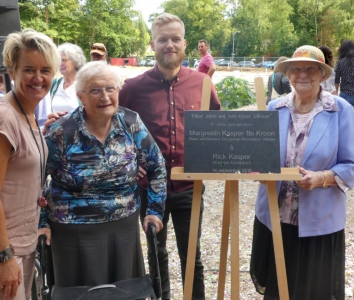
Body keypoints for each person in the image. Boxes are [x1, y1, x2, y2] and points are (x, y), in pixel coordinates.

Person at [119, 13, 221, 300]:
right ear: (152, 45)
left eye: (175, 39)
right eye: (163, 39)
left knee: (193, 257)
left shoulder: (202, 84)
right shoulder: (132, 88)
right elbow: (117, 133)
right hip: (150, 191)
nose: (169, 45)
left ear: (185, 44)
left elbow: (217, 129)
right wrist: (131, 163)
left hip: (191, 188)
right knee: (156, 255)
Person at [38, 61, 166, 288]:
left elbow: (156, 165)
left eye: (110, 89)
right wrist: (41, 222)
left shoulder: (130, 122)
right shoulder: (62, 131)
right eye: (95, 90)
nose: (105, 96)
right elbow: (35, 179)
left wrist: (154, 211)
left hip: (122, 226)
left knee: (122, 291)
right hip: (71, 230)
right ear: (81, 96)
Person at [250, 45, 354, 300]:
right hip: (275, 218)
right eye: (296, 69)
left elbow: (353, 163)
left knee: (313, 291)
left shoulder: (341, 110)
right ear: (288, 74)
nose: (303, 74)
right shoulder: (273, 108)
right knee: (277, 289)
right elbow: (258, 157)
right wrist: (255, 167)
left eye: (311, 69)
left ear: (322, 75)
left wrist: (321, 178)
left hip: (319, 222)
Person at [0, 29, 59, 300]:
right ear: (11, 70)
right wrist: (4, 258)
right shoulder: (3, 118)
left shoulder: (27, 111)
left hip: (20, 240)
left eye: (46, 70)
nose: (38, 78)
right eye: (29, 69)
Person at [50, 43, 85, 112]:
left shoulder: (84, 86)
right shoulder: (54, 84)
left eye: (63, 60)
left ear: (75, 61)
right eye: (59, 60)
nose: (60, 63)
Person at [334, 39, 354, 130]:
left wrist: (336, 94)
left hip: (345, 95)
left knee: (343, 120)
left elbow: (336, 80)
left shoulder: (340, 63)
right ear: (353, 48)